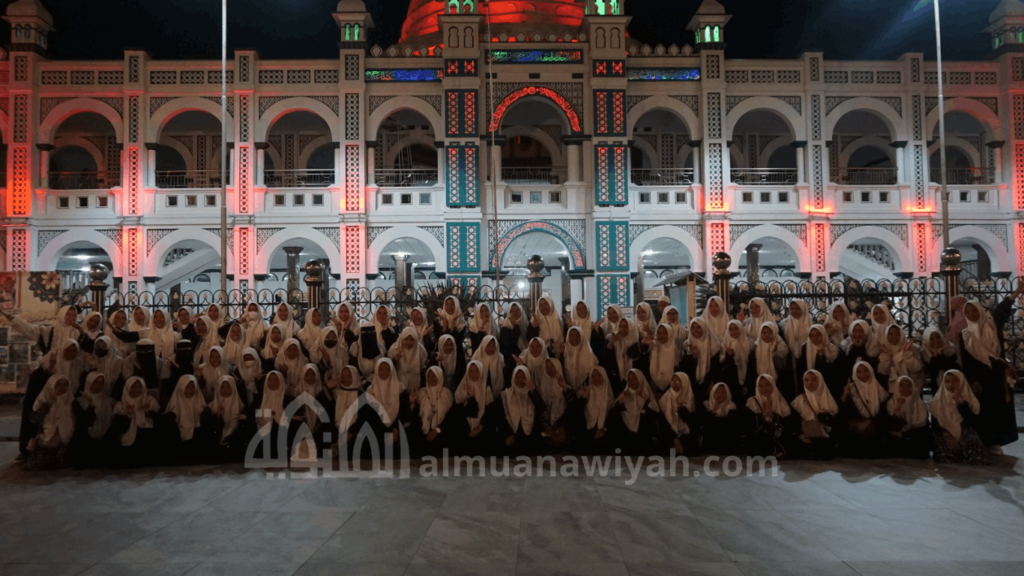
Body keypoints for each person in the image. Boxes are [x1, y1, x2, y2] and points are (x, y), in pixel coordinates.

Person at [930, 369, 990, 465]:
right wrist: (947, 435)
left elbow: (973, 421)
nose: (951, 385)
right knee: (943, 453)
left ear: (961, 382)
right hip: (945, 433)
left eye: (954, 381)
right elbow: (935, 424)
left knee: (976, 451)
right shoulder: (937, 401)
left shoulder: (970, 399)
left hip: (964, 432)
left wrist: (960, 403)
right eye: (947, 381)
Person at [24, 375, 75, 471]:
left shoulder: (70, 402)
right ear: (51, 385)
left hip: (64, 442)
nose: (61, 388)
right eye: (58, 384)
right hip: (45, 441)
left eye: (65, 385)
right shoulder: (43, 401)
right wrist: (49, 404)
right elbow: (34, 420)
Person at [840, 361, 890, 456]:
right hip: (856, 425)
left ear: (871, 371)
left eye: (865, 370)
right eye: (859, 372)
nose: (863, 374)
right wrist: (845, 394)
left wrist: (868, 422)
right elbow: (844, 411)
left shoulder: (879, 388)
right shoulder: (851, 388)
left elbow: (884, 413)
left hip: (875, 424)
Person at [110, 376, 160, 467]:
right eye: (132, 387)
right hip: (126, 451)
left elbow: (158, 426)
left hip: (147, 449)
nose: (136, 389)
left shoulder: (151, 402)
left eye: (139, 387)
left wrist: (147, 412)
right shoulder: (120, 406)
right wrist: (128, 415)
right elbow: (116, 430)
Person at [161, 374, 211, 464]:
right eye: (186, 387)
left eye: (193, 387)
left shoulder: (202, 406)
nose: (190, 390)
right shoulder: (173, 407)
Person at [790, 370, 839, 459]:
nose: (809, 383)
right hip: (806, 436)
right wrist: (799, 434)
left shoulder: (829, 399)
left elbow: (837, 423)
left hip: (823, 438)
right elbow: (793, 421)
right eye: (806, 380)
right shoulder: (799, 400)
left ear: (820, 381)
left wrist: (827, 416)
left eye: (813, 380)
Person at [69, 372, 114, 468]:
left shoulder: (109, 401)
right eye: (95, 382)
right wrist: (91, 405)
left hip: (103, 440)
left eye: (101, 383)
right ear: (89, 382)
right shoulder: (78, 401)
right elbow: (85, 423)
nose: (98, 386)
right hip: (85, 442)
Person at [497, 365, 546, 453]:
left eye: (523, 377)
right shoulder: (505, 395)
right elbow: (501, 418)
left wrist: (532, 392)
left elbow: (541, 408)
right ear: (513, 378)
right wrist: (507, 434)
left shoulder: (532, 393)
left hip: (530, 436)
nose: (520, 380)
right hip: (512, 435)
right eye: (517, 377)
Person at [744, 374, 794, 457]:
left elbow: (788, 423)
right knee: (760, 440)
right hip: (760, 435)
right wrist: (765, 412)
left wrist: (774, 414)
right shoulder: (752, 401)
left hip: (777, 435)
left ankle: (777, 450)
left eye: (768, 385)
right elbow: (750, 425)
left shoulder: (780, 401)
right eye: (761, 386)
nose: (765, 389)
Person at [411, 366, 456, 456]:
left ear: (440, 376)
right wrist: (412, 402)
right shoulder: (421, 393)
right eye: (429, 376)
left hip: (441, 435)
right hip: (424, 435)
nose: (431, 379)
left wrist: (436, 430)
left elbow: (449, 419)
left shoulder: (446, 394)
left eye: (434, 375)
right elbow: (416, 417)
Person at [613, 369, 661, 454]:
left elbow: (655, 417)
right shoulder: (624, 397)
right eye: (629, 379)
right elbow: (613, 417)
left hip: (644, 443)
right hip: (626, 443)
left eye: (635, 378)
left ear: (641, 379)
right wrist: (620, 399)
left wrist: (647, 400)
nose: (632, 382)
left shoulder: (648, 398)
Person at [885, 375, 931, 459]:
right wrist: (898, 407)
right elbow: (892, 425)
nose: (905, 388)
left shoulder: (920, 404)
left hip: (914, 435)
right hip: (898, 435)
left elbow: (923, 426)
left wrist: (904, 434)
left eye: (909, 385)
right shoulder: (891, 403)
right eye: (902, 385)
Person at [745, 322, 791, 400]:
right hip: (759, 382)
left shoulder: (781, 346)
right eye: (764, 333)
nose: (767, 335)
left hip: (778, 383)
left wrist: (776, 354)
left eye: (770, 332)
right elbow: (751, 369)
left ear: (775, 332)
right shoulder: (756, 348)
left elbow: (783, 369)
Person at [797, 324, 844, 398]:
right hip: (810, 385)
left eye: (818, 334)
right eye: (812, 335)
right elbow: (801, 369)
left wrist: (822, 356)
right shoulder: (805, 348)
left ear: (824, 334)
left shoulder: (832, 349)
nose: (815, 338)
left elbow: (834, 372)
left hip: (828, 385)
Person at [454, 360, 494, 449]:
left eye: (477, 371)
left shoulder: (486, 388)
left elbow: (490, 410)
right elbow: (458, 409)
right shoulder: (462, 387)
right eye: (471, 371)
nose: (473, 374)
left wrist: (480, 426)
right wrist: (465, 394)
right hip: (465, 427)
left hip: (482, 427)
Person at [209, 375, 249, 460]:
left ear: (234, 388)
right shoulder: (211, 407)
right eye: (222, 388)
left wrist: (243, 417)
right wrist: (218, 415)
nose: (225, 390)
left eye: (228, 387)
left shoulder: (242, 406)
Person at [679, 317, 721, 394]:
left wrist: (713, 383)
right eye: (693, 328)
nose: (696, 331)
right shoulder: (687, 345)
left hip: (709, 384)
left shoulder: (714, 346)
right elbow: (683, 369)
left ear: (704, 328)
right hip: (691, 385)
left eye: (699, 327)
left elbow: (717, 368)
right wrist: (694, 356)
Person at [658, 372, 696, 455]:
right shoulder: (664, 399)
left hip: (685, 434)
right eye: (672, 381)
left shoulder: (689, 397)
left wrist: (681, 408)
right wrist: (674, 438)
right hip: (669, 434)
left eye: (678, 381)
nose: (675, 384)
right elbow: (663, 421)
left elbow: (691, 422)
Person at [878, 324, 922, 393]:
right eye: (890, 334)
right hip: (891, 391)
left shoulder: (911, 348)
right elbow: (883, 371)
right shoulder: (883, 350)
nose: (894, 337)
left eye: (898, 334)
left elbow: (916, 368)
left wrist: (906, 354)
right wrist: (888, 356)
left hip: (911, 389)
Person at [700, 382, 741, 454]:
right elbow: (705, 423)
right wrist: (715, 409)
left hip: (727, 443)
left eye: (723, 392)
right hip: (710, 444)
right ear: (712, 392)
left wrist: (715, 420)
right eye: (717, 392)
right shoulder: (707, 404)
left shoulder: (731, 405)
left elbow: (731, 424)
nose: (720, 395)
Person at [718, 319, 752, 398]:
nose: (733, 332)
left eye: (736, 328)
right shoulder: (724, 346)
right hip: (730, 382)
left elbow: (752, 366)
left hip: (746, 382)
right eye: (730, 329)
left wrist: (749, 384)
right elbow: (721, 368)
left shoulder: (749, 345)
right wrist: (729, 355)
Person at [388, 326, 428, 392]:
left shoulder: (421, 350)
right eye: (406, 339)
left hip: (415, 386)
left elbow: (423, 364)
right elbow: (389, 367)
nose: (409, 342)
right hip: (398, 385)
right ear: (402, 339)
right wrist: (395, 359)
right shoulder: (395, 349)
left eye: (412, 339)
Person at [920, 326, 960, 391]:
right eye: (931, 339)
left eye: (937, 337)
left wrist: (941, 355)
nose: (935, 341)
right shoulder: (925, 354)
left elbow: (950, 368)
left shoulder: (950, 349)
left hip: (955, 387)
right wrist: (936, 356)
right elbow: (933, 372)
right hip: (937, 388)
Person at [563, 326, 597, 391]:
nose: (574, 338)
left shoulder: (588, 353)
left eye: (577, 336)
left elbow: (591, 374)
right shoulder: (565, 351)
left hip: (584, 389)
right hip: (569, 388)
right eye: (571, 335)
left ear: (582, 337)